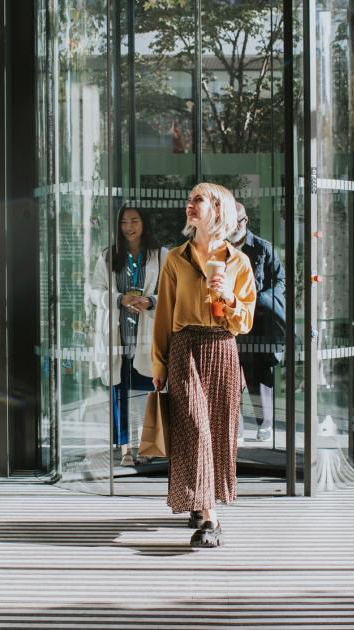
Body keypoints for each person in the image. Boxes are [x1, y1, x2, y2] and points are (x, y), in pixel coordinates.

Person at [151, 182, 256, 548]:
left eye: (198, 200)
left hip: (222, 348)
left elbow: (245, 322)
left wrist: (228, 298)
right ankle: (211, 520)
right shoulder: (175, 259)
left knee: (218, 431)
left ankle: (202, 501)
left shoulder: (238, 262)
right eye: (190, 199)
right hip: (185, 348)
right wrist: (159, 362)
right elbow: (163, 314)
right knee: (195, 428)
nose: (189, 205)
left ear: (218, 208)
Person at [88, 205, 167, 467]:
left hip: (147, 334)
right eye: (123, 222)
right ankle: (125, 448)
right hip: (118, 334)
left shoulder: (160, 255)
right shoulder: (110, 255)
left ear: (144, 223)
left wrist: (150, 301)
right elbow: (94, 292)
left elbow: (171, 292)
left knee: (148, 390)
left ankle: (147, 445)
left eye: (134, 221)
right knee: (120, 391)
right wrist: (120, 299)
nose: (128, 227)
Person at [230, 202, 286, 443]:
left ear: (245, 221)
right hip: (231, 319)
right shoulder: (219, 248)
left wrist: (257, 298)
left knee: (262, 376)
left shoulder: (263, 248)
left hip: (260, 320)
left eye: (236, 222)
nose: (232, 227)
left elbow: (281, 281)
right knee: (233, 375)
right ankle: (239, 428)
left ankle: (265, 424)